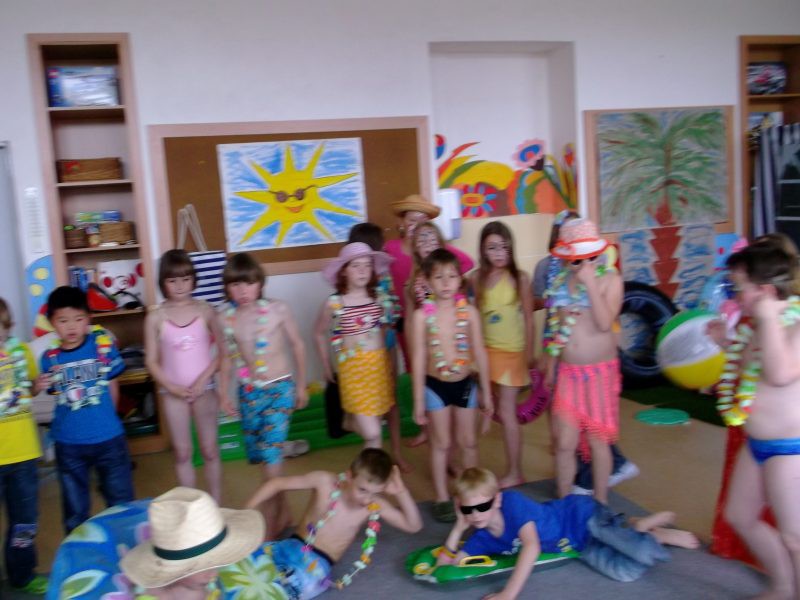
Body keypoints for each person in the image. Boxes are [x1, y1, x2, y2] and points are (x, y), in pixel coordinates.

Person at [438, 468, 699, 599]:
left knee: (641, 551)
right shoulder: (481, 536)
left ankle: (645, 530)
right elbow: (444, 568)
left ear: (496, 500)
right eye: (468, 509)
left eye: (482, 506)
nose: (476, 515)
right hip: (576, 545)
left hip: (581, 516)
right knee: (625, 572)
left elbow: (531, 546)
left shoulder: (512, 503)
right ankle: (645, 531)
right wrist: (459, 527)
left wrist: (508, 594)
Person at [532, 210, 638, 495]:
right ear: (566, 258)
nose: (584, 265)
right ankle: (565, 500)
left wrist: (590, 284)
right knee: (564, 442)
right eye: (577, 260)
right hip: (569, 373)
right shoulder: (559, 283)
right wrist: (551, 363)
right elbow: (557, 329)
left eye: (590, 257)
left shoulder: (611, 280)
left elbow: (604, 323)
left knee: (597, 440)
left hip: (599, 374)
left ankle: (600, 502)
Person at [715, 243, 800, 599]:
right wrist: (727, 344)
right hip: (757, 444)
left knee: (794, 536)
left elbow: (780, 374)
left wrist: (766, 319)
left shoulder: (795, 326)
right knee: (740, 516)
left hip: (790, 448)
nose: (736, 297)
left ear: (765, 291)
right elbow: (751, 376)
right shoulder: (753, 328)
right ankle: (784, 586)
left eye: (740, 289)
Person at [245, 448, 422, 599]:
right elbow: (276, 484)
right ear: (349, 476)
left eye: (375, 493)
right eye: (362, 490)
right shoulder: (324, 481)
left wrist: (401, 491)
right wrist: (247, 509)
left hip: (315, 567)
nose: (367, 499)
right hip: (291, 545)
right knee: (241, 562)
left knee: (271, 593)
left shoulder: (374, 505)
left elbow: (413, 526)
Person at [218, 252, 308, 539]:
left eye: (249, 283)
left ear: (260, 284)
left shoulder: (278, 310)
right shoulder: (225, 318)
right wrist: (223, 394)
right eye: (235, 285)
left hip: (280, 389)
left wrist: (301, 386)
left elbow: (297, 345)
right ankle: (285, 513)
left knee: (271, 460)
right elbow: (226, 358)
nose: (243, 291)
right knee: (266, 462)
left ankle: (269, 526)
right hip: (249, 392)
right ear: (227, 288)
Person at [39, 286, 134, 533]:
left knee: (121, 501)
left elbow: (113, 385)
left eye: (78, 319)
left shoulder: (103, 347)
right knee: (75, 509)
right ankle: (79, 552)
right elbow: (57, 394)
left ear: (88, 318)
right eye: (63, 320)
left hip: (109, 439)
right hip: (69, 443)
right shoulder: (49, 358)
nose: (71, 326)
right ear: (52, 323)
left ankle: (127, 545)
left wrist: (110, 420)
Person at [411, 248, 493, 522]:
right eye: (438, 277)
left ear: (460, 279)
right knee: (441, 443)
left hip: (465, 384)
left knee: (468, 441)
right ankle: (442, 496)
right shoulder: (422, 316)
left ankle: (474, 493)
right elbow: (418, 357)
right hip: (434, 387)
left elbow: (479, 352)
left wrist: (487, 392)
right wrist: (418, 401)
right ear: (427, 281)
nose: (446, 283)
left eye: (452, 276)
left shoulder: (469, 312)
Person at [144, 250, 223, 502]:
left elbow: (223, 353)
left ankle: (216, 504)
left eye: (185, 279)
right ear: (163, 282)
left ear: (193, 279)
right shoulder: (155, 316)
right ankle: (190, 507)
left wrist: (203, 380)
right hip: (172, 393)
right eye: (172, 280)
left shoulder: (207, 311)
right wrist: (171, 387)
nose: (179, 286)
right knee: (182, 452)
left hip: (205, 389)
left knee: (210, 450)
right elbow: (151, 361)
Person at [314, 242, 397, 454]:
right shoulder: (335, 302)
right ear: (344, 271)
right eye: (355, 265)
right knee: (372, 433)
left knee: (375, 431)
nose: (362, 270)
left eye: (367, 265)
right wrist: (326, 366)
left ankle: (368, 471)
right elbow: (318, 333)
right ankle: (348, 422)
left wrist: (390, 363)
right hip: (353, 371)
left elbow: (385, 331)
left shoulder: (379, 299)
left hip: (378, 369)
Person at [470, 221, 534, 489]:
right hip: (486, 352)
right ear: (483, 250)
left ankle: (515, 471)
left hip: (511, 352)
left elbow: (529, 318)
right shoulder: (475, 278)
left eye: (504, 247)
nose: (499, 253)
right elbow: (471, 315)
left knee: (507, 412)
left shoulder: (520, 278)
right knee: (477, 400)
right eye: (492, 248)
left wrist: (529, 354)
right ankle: (470, 463)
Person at [120, 486, 265, 600]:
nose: (213, 574)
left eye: (216, 564)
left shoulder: (208, 585)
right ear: (177, 570)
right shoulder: (153, 595)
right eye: (202, 567)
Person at [347, 223, 410, 473]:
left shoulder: (383, 275)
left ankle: (395, 453)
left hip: (387, 342)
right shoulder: (351, 278)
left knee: (391, 400)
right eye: (380, 245)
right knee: (369, 402)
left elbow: (392, 308)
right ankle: (373, 450)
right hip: (362, 355)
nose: (384, 248)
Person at [0, 298, 48, 594]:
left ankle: (23, 573)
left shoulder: (21, 351)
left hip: (24, 453)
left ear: (8, 327)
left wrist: (36, 386)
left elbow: (28, 387)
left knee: (25, 520)